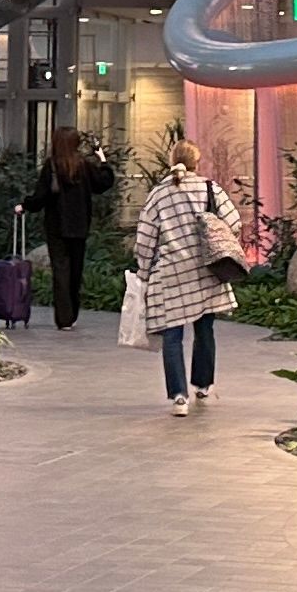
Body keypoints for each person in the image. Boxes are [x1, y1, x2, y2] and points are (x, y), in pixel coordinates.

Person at [126, 131, 242, 415]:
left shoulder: (158, 194)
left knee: (172, 336)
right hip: (206, 271)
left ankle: (179, 397)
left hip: (171, 275)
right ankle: (202, 385)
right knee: (205, 330)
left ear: (171, 161)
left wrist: (143, 270)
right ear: (196, 163)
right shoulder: (210, 189)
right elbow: (234, 222)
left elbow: (145, 238)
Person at [35, 127, 115, 331]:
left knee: (60, 270)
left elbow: (41, 196)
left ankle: (64, 317)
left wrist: (25, 205)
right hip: (79, 225)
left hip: (56, 225)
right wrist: (103, 160)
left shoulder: (51, 166)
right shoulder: (84, 166)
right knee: (76, 270)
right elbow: (103, 183)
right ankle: (73, 312)